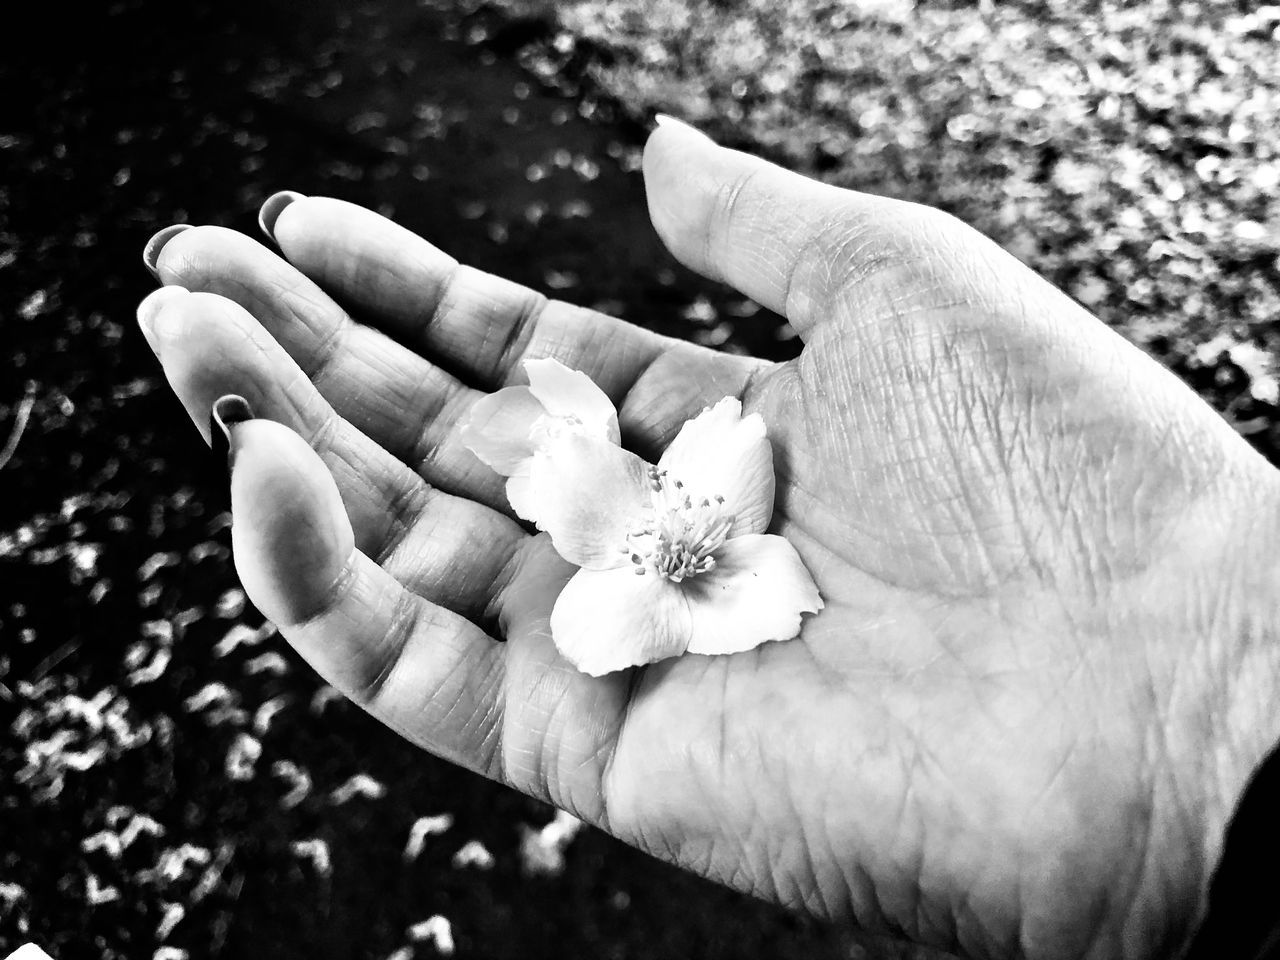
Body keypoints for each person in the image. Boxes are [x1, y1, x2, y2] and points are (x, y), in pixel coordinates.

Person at [136, 116, 1280, 959]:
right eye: (675, 544)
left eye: (684, 544)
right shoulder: (618, 557)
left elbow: (738, 511)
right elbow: (602, 576)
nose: (681, 546)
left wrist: (1201, 706)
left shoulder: (730, 543)